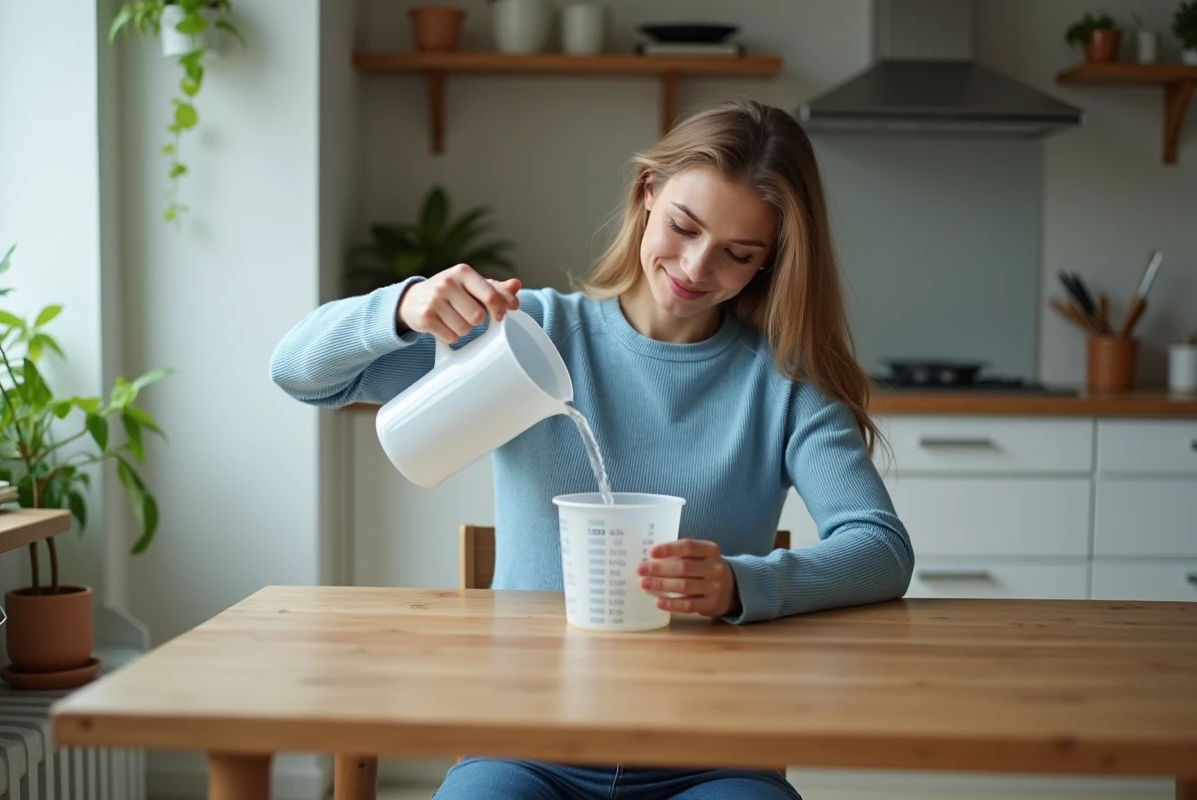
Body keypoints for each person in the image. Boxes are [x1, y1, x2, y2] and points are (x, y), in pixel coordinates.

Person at [270, 98, 914, 800]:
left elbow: (880, 547)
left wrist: (740, 584)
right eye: (684, 226)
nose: (697, 267)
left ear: (771, 262)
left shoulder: (784, 385)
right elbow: (300, 376)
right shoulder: (525, 336)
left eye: (738, 254)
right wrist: (402, 306)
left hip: (712, 754)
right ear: (647, 194)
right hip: (522, 746)